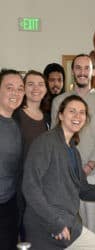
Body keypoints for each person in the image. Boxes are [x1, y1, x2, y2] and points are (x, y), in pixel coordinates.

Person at [22, 95, 95, 250]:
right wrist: (55, 223)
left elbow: (85, 191)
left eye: (82, 112)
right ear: (61, 115)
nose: (77, 116)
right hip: (45, 225)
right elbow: (30, 187)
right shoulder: (45, 142)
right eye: (72, 111)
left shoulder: (73, 151)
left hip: (67, 222)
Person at [51, 54, 95, 235]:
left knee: (91, 229)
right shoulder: (59, 101)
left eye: (87, 68)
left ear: (93, 72)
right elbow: (55, 138)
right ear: (73, 71)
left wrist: (86, 168)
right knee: (64, 227)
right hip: (64, 175)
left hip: (92, 175)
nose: (82, 72)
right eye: (78, 68)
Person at [13, 70, 49, 241]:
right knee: (22, 232)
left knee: (39, 233)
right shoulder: (15, 115)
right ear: (24, 88)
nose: (36, 88)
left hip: (43, 186)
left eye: (41, 84)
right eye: (31, 84)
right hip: (20, 185)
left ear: (46, 89)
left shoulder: (48, 118)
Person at [0, 69, 24, 250]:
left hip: (8, 206)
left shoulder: (15, 124)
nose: (15, 93)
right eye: (9, 87)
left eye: (20, 88)